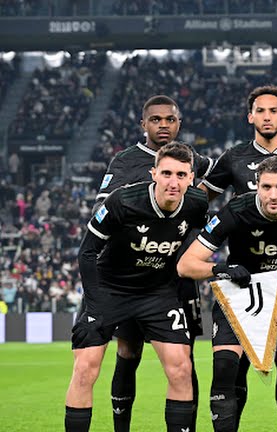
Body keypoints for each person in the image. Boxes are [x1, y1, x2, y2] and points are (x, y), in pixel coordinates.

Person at [178, 156, 277, 432]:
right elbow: (186, 264)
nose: (273, 195)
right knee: (224, 368)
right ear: (256, 186)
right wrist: (221, 269)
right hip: (239, 297)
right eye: (266, 187)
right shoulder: (237, 210)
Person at [65, 143, 209, 432]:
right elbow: (87, 252)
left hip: (157, 292)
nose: (173, 182)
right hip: (110, 289)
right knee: (85, 368)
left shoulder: (197, 204)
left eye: (181, 175)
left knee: (181, 368)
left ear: (191, 178)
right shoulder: (123, 200)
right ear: (153, 173)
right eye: (166, 173)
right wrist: (94, 306)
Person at [95, 94, 213, 432]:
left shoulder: (192, 159)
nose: (163, 125)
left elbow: (223, 175)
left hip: (177, 276)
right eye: (156, 119)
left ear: (179, 123)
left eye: (170, 119)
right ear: (143, 124)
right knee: (128, 352)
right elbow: (101, 210)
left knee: (184, 359)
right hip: (135, 274)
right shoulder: (125, 161)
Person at [198, 85, 277, 431]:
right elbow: (199, 198)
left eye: (273, 111)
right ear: (250, 117)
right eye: (260, 111)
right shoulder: (234, 157)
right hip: (244, 279)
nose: (267, 117)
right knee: (233, 370)